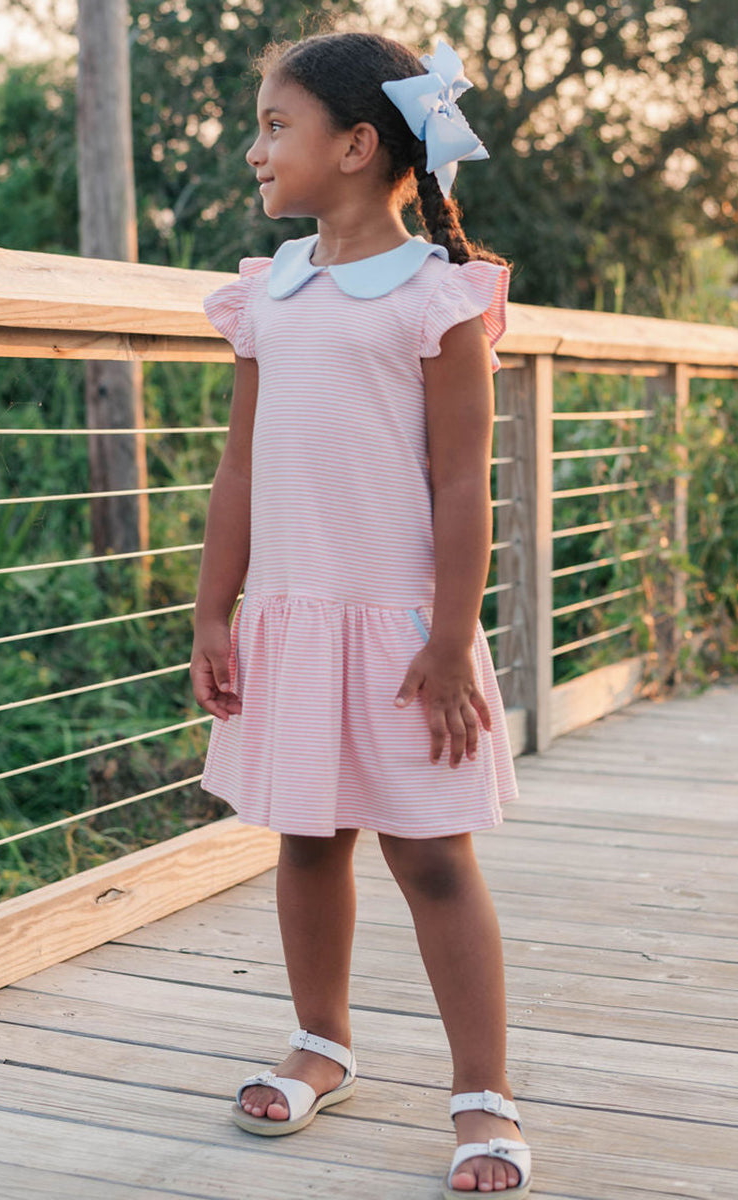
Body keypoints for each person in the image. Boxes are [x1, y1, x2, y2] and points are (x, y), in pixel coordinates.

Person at [189, 31, 530, 1198]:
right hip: (291, 618)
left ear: (357, 144)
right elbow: (238, 470)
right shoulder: (269, 294)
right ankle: (321, 1040)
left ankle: (483, 1092)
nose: (255, 150)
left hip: (401, 631)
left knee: (432, 856)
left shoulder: (437, 300)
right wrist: (212, 611)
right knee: (306, 837)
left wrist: (449, 641)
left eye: (276, 127)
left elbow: (460, 479)